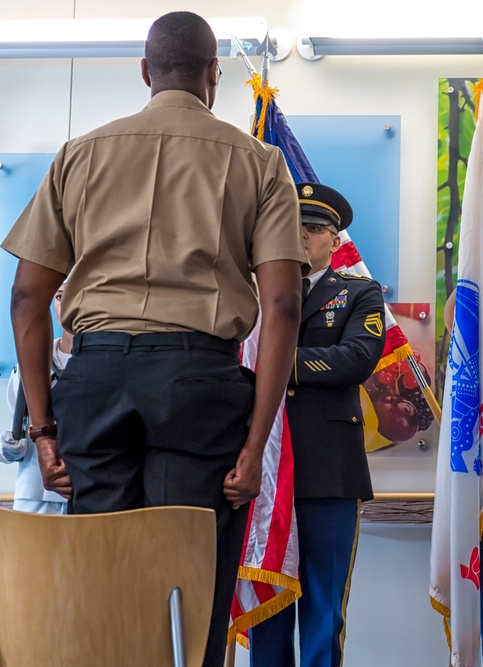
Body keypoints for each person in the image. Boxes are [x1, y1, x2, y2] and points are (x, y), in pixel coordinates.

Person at [2, 12, 305, 667]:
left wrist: (45, 430)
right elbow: (281, 302)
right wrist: (255, 447)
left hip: (96, 381)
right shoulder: (259, 162)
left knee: (103, 579)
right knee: (188, 591)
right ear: (213, 76)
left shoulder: (79, 154)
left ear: (145, 72)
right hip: (200, 385)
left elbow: (28, 298)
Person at [250, 182, 386, 667]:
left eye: (313, 228)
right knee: (268, 608)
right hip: (262, 473)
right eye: (293, 226)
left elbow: (356, 359)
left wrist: (277, 363)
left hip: (329, 470)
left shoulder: (359, 293)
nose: (302, 235)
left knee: (324, 609)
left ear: (335, 240)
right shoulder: (254, 295)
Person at [1, 284, 72, 514]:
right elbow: (18, 426)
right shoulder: (26, 366)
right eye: (60, 296)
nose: (68, 305)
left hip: (86, 495)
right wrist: (9, 448)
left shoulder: (109, 365)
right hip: (33, 497)